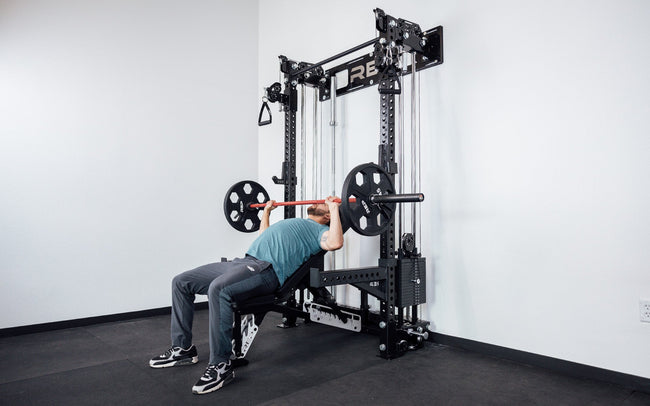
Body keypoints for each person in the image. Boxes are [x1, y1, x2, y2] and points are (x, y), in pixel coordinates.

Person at [149, 196, 344, 395]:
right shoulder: (294, 223)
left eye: (321, 203)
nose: (314, 203)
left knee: (219, 289)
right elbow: (263, 236)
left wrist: (335, 209)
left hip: (266, 270)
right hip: (243, 262)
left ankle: (221, 365)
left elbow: (335, 243)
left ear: (327, 214)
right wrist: (267, 212)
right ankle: (183, 349)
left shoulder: (320, 231)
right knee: (181, 282)